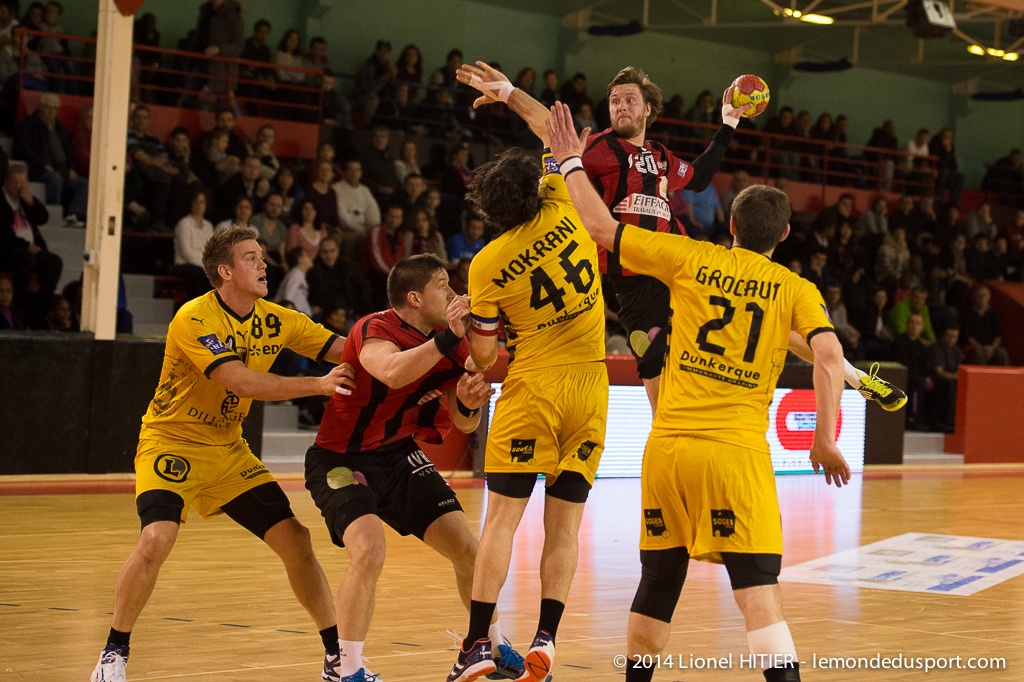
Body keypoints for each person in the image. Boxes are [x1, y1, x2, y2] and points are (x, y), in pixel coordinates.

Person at [545, 100, 851, 682]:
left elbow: (601, 228)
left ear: (730, 225)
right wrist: (824, 438)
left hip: (668, 453)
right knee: (756, 589)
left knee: (659, 583)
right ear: (784, 234)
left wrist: (568, 161)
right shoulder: (794, 288)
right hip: (734, 456)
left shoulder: (690, 258)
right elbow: (829, 355)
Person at [455, 61, 906, 414]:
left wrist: (729, 123)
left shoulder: (661, 155)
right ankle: (668, 453)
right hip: (632, 272)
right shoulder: (599, 149)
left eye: (630, 100)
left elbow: (704, 174)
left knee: (779, 324)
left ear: (648, 109)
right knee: (657, 378)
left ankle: (856, 377)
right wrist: (511, 94)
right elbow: (554, 133)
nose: (620, 107)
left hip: (680, 261)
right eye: (614, 101)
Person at [89, 226, 356, 682]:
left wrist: (417, 352)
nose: (263, 263)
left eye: (262, 256)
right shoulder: (194, 318)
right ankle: (113, 654)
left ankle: (337, 658)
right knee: (156, 540)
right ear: (225, 271)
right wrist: (318, 384)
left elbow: (348, 349)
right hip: (171, 441)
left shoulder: (277, 318)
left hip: (228, 450)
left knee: (296, 540)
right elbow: (239, 380)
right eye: (251, 258)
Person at [307, 254, 523, 682]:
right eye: (444, 286)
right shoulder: (374, 328)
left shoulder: (451, 343)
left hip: (398, 455)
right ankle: (344, 668)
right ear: (415, 298)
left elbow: (464, 422)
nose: (455, 294)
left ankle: (490, 644)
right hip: (341, 459)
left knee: (471, 551)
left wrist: (469, 401)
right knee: (369, 551)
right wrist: (448, 341)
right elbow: (390, 372)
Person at [446, 147, 607, 682]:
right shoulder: (563, 204)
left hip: (535, 388)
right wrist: (512, 95)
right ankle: (547, 639)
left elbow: (486, 357)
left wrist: (466, 325)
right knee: (564, 529)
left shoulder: (487, 264)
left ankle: (477, 645)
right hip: (591, 386)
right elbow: (556, 143)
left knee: (501, 522)